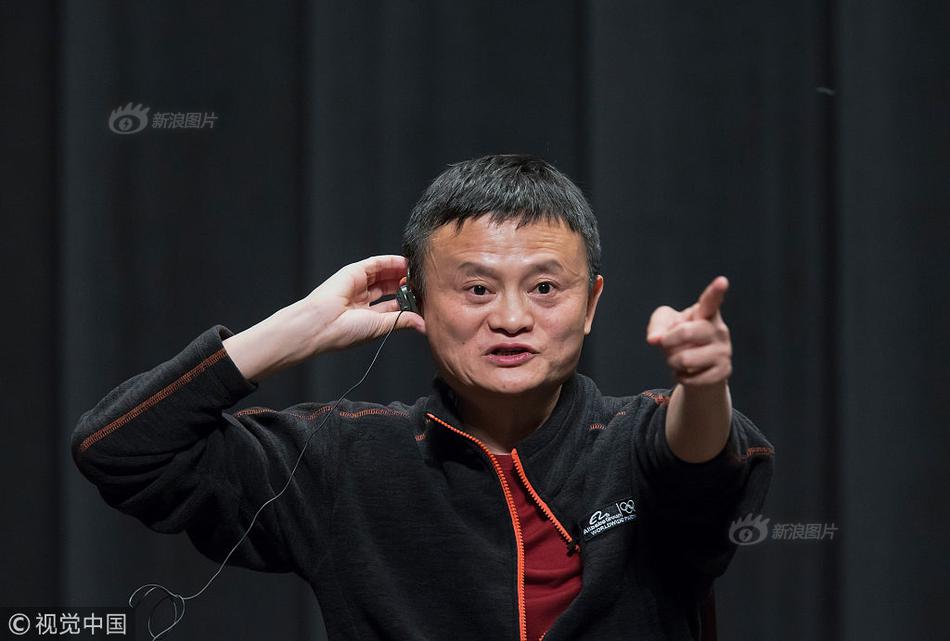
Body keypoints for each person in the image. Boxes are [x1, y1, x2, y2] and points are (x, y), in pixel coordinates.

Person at [72, 154, 773, 641]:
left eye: (544, 287)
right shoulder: (348, 459)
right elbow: (119, 450)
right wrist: (290, 332)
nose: (511, 318)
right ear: (419, 301)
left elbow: (697, 462)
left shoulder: (635, 437)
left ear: (590, 304)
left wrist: (703, 383)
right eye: (476, 288)